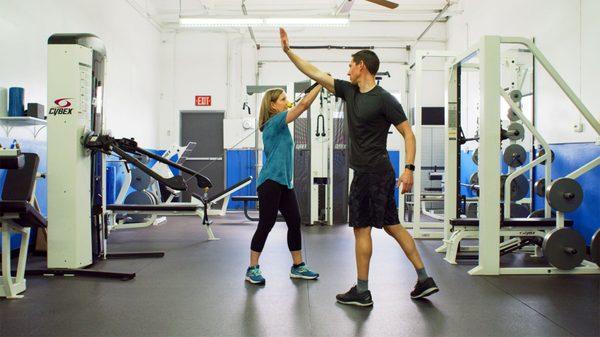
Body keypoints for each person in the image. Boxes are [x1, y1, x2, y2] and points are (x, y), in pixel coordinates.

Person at [279, 28, 439, 305]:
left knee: (362, 229)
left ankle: (362, 291)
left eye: (350, 65)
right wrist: (289, 52)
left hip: (371, 173)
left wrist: (409, 168)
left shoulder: (386, 99)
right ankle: (425, 278)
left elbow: (408, 134)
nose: (348, 70)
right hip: (375, 172)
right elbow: (316, 73)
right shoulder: (349, 91)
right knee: (394, 227)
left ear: (361, 66)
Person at [246, 85, 322, 285]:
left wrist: (313, 88)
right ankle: (252, 268)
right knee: (266, 224)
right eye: (283, 99)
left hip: (285, 183)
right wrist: (321, 83)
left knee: (294, 221)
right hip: (270, 181)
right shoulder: (275, 122)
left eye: (287, 98)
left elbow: (302, 102)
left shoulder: (281, 124)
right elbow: (303, 104)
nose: (287, 101)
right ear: (272, 105)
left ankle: (298, 266)